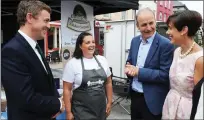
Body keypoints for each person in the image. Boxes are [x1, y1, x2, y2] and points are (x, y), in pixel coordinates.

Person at [1, 1, 64, 120]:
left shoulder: (34, 46)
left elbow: (46, 84)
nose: (49, 26)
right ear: (29, 18)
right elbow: (25, 98)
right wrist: (58, 104)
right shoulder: (12, 51)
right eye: (46, 20)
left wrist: (57, 105)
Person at [124, 8, 175, 120]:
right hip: (135, 96)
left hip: (153, 101)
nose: (148, 28)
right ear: (137, 26)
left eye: (151, 23)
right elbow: (130, 62)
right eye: (144, 25)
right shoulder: (134, 41)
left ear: (155, 21)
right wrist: (128, 69)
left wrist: (138, 71)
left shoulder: (166, 44)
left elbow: (165, 75)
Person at [162, 10, 203, 119]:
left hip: (186, 112)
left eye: (171, 28)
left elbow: (200, 98)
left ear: (184, 30)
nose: (167, 32)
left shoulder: (200, 59)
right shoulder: (177, 52)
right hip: (170, 106)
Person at [62, 32, 113, 120]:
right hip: (81, 111)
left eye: (93, 42)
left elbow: (108, 83)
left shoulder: (102, 60)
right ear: (80, 46)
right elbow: (67, 89)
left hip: (100, 109)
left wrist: (109, 102)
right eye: (87, 42)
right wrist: (68, 112)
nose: (92, 45)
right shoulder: (72, 64)